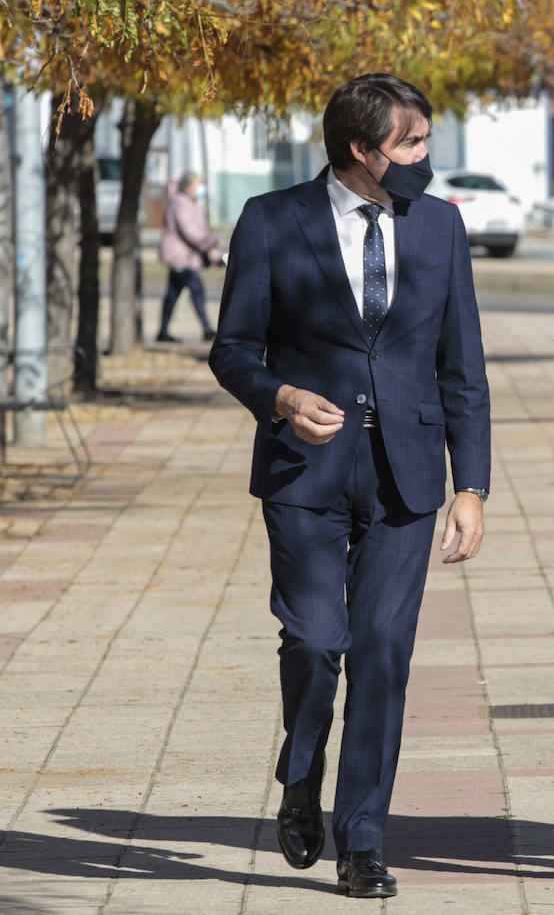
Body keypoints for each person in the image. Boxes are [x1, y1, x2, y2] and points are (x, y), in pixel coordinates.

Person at [208, 73, 491, 899]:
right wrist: (282, 399)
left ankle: (362, 837)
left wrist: (469, 486)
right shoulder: (273, 221)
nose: (425, 158)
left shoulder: (439, 226)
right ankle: (301, 774)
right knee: (314, 641)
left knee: (383, 656)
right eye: (410, 144)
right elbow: (233, 349)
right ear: (362, 150)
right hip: (306, 471)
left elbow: (462, 367)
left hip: (408, 476)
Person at [156, 171, 221, 343]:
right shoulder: (180, 203)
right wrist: (212, 243)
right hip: (180, 257)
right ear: (189, 186)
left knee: (172, 294)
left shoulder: (193, 204)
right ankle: (207, 329)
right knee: (196, 289)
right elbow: (190, 233)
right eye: (198, 185)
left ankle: (162, 331)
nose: (201, 188)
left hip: (187, 257)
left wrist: (214, 256)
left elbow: (200, 232)